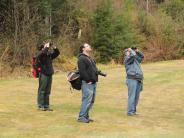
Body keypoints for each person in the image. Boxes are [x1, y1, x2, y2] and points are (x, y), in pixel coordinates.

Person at [77, 43, 106, 123]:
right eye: (87, 46)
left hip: (93, 82)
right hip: (87, 83)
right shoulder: (81, 58)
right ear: (83, 49)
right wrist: (87, 80)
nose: (89, 46)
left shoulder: (90, 58)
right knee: (87, 100)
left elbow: (94, 69)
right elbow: (82, 71)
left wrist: (102, 73)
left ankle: (85, 116)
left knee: (91, 101)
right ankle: (81, 117)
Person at [37, 42, 60, 111]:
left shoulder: (48, 55)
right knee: (42, 90)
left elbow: (57, 53)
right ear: (42, 48)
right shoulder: (40, 54)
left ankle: (46, 106)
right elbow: (41, 54)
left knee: (47, 91)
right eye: (45, 47)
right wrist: (46, 47)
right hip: (43, 74)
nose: (47, 48)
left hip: (49, 74)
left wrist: (54, 47)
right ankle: (40, 105)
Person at [124, 47, 144, 116]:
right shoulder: (127, 59)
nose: (129, 52)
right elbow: (132, 55)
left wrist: (138, 51)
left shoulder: (136, 59)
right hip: (131, 79)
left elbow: (142, 57)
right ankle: (130, 112)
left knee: (136, 96)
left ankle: (133, 111)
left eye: (129, 51)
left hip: (138, 78)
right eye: (128, 52)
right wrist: (130, 50)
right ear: (126, 53)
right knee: (132, 96)